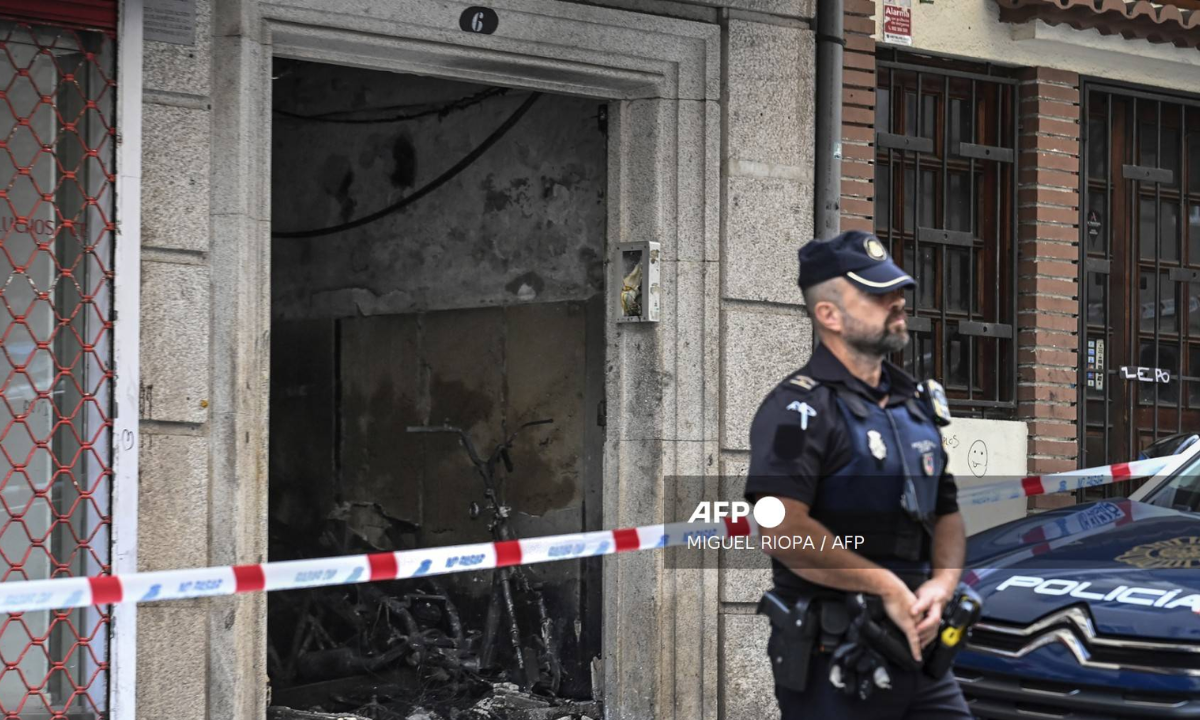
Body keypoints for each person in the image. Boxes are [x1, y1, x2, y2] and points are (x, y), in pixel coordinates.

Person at [745, 230, 970, 719]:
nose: (897, 302)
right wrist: (884, 585)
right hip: (838, 660)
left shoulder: (915, 404)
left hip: (922, 658)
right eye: (876, 293)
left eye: (897, 290)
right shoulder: (798, 409)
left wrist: (942, 585)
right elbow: (781, 528)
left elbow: (947, 511)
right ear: (829, 315)